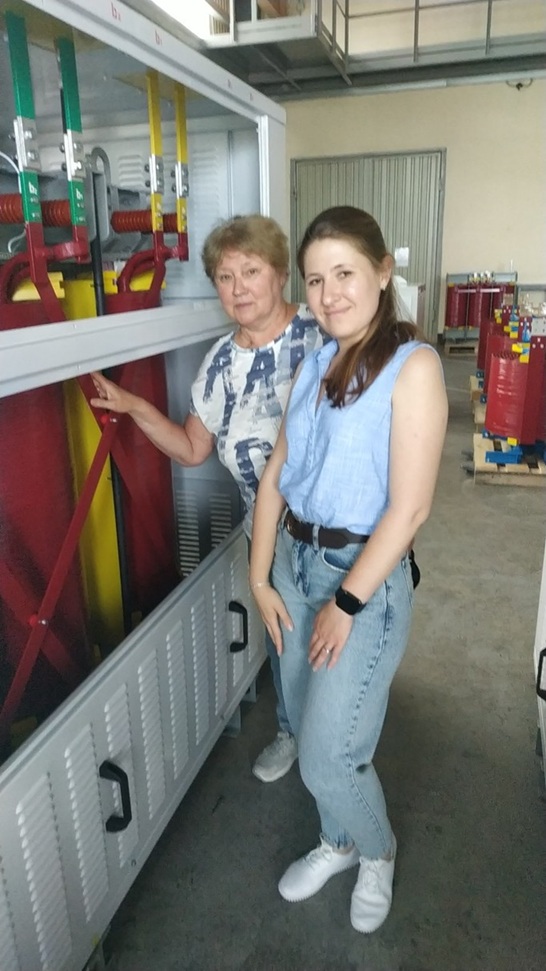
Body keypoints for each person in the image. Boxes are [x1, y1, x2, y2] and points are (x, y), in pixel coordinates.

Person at [249, 206, 448, 933]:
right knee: (307, 724)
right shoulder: (315, 361)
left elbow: (410, 508)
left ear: (382, 272)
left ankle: (376, 849)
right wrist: (260, 576)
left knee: (329, 756)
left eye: (345, 273)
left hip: (358, 580)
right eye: (315, 280)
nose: (329, 294)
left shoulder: (413, 366)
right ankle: (337, 841)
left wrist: (348, 603)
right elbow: (278, 472)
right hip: (295, 568)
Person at [89, 214, 327, 783]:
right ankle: (293, 732)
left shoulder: (322, 334)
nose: (239, 287)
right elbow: (193, 448)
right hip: (269, 538)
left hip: (332, 533)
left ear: (280, 273)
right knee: (286, 646)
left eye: (251, 271)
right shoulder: (222, 361)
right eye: (225, 276)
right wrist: (135, 407)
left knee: (337, 645)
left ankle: (335, 751)